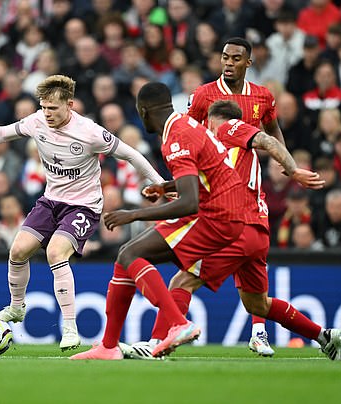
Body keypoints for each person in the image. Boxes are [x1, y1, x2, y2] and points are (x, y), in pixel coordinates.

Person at [0, 74, 164, 351]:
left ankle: (70, 327)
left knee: (55, 253)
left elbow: (131, 155)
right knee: (17, 251)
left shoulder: (90, 132)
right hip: (52, 200)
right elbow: (4, 132)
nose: (47, 113)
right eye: (44, 107)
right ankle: (16, 308)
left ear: (69, 105)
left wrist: (160, 183)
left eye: (53, 108)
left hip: (84, 205)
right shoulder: (37, 121)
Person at [121, 100, 341, 361]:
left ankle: (154, 344)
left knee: (182, 281)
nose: (204, 127)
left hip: (236, 226)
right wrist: (166, 188)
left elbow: (269, 141)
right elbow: (205, 181)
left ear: (214, 119)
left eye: (207, 122)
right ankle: (325, 336)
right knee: (257, 304)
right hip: (258, 231)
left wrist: (293, 170)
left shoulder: (228, 129)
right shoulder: (223, 151)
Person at [70, 82, 247, 360]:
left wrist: (134, 214)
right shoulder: (184, 125)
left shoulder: (176, 136)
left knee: (132, 253)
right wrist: (165, 188)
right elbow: (202, 180)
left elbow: (190, 202)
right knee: (125, 257)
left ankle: (178, 324)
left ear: (143, 111)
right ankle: (108, 346)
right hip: (227, 211)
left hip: (218, 215)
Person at [182, 37, 284, 356]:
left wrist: (284, 161)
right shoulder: (203, 95)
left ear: (247, 63)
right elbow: (188, 132)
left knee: (254, 261)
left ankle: (257, 332)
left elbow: (273, 130)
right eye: (224, 57)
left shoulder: (262, 96)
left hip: (250, 191)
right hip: (214, 193)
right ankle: (171, 325)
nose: (228, 62)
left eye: (235, 58)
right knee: (191, 268)